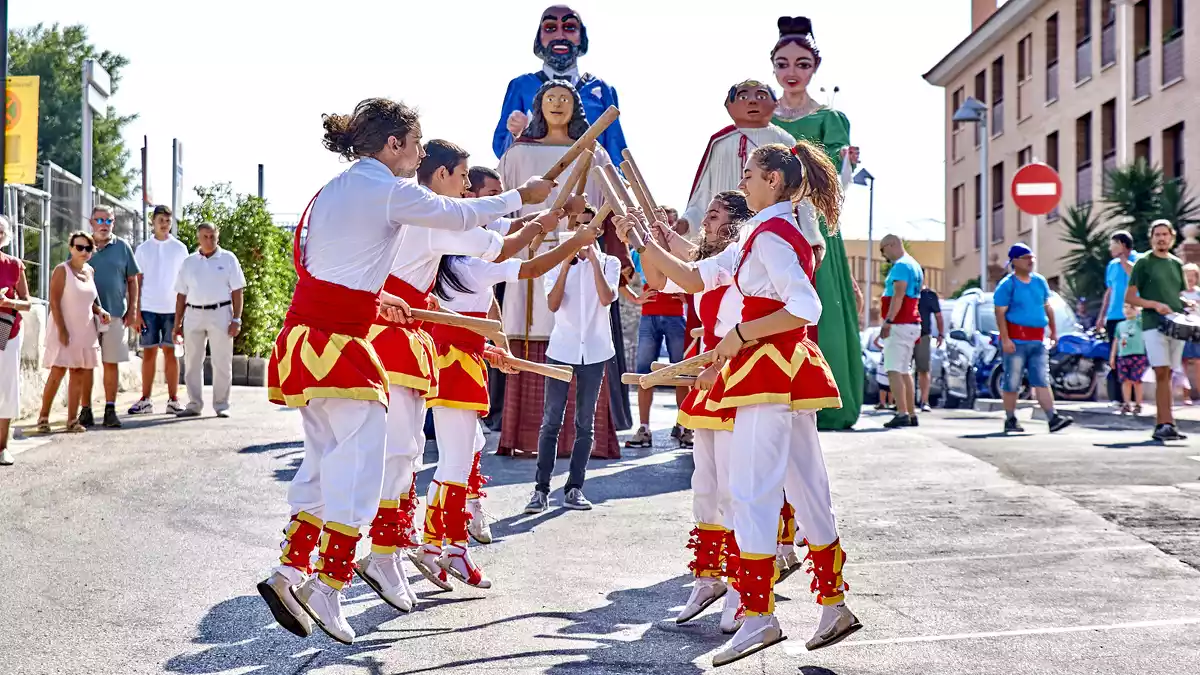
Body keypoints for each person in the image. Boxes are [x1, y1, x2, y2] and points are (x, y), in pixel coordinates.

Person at [257, 97, 554, 645]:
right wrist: (523, 197)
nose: (418, 156)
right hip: (338, 344)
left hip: (310, 336)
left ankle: (291, 570)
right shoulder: (387, 189)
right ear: (392, 145)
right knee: (368, 463)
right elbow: (461, 215)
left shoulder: (334, 189)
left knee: (326, 459)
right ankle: (327, 584)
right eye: (415, 145)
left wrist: (375, 304)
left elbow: (336, 271)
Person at [697, 142, 858, 663]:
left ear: (773, 181)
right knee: (808, 487)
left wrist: (740, 334)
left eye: (749, 173)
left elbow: (804, 306)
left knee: (751, 491)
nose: (743, 181)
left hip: (768, 369)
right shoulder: (784, 228)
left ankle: (758, 615)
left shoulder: (770, 233)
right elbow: (688, 274)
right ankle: (833, 604)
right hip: (786, 369)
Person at [395, 139, 571, 596]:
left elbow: (496, 246)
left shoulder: (433, 227)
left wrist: (540, 220)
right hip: (439, 361)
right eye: (463, 178)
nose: (468, 188)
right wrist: (552, 226)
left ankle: (441, 543)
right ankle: (430, 545)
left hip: (448, 358)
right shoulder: (438, 228)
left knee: (454, 449)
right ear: (440, 176)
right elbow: (505, 249)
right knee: (432, 456)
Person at [426, 209, 599, 583]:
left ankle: (432, 544)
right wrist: (574, 241)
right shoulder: (469, 268)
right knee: (454, 463)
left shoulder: (452, 268)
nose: (492, 242)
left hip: (456, 362)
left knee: (464, 449)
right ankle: (450, 547)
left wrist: (495, 348)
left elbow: (469, 325)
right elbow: (530, 267)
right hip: (455, 369)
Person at [620, 191, 752, 634]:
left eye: (714, 215)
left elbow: (687, 272)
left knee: (735, 486)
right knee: (706, 484)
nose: (706, 220)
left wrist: (648, 241)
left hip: (741, 374)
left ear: (735, 223)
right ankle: (709, 576)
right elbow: (659, 279)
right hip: (710, 373)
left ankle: (742, 588)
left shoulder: (738, 255)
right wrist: (641, 240)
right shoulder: (710, 256)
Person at [497, 79, 626, 460]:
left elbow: (607, 202)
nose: (556, 104)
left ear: (576, 107)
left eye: (564, 99)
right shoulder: (520, 153)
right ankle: (526, 436)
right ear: (538, 106)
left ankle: (585, 438)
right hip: (532, 253)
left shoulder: (593, 151)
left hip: (581, 253)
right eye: (549, 98)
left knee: (582, 326)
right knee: (535, 331)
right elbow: (507, 204)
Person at [770, 16, 864, 431]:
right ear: (773, 66)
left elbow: (837, 180)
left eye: (802, 64)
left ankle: (827, 400)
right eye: (784, 63)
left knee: (818, 309)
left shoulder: (831, 119)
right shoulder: (760, 114)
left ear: (814, 68)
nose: (792, 72)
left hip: (815, 223)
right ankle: (769, 395)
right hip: (766, 219)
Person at [523, 228, 620, 514]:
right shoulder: (556, 265)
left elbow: (606, 298)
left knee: (584, 423)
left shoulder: (609, 263)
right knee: (551, 420)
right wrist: (565, 265)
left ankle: (575, 488)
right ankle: (540, 490)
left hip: (595, 349)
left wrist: (592, 262)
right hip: (562, 350)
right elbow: (553, 304)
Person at [493, 5, 627, 163]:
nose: (560, 35)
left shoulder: (602, 90)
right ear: (539, 36)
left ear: (581, 35)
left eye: (569, 27)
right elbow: (501, 149)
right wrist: (516, 133)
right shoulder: (521, 86)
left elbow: (615, 146)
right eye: (550, 28)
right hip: (536, 180)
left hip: (588, 180)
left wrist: (619, 180)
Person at [678, 80, 795, 240]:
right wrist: (688, 223)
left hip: (772, 228)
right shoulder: (720, 143)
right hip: (725, 233)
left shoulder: (784, 140)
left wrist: (811, 235)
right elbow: (703, 194)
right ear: (728, 105)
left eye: (761, 96)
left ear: (775, 103)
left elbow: (798, 189)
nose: (752, 101)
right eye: (743, 96)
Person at [993, 243, 1074, 434]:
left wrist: (1053, 331)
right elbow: (1000, 313)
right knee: (1012, 380)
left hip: (1038, 339)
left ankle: (1052, 418)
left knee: (1041, 380)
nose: (1030, 261)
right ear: (1015, 261)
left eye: (1032, 258)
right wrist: (1005, 339)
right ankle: (1011, 418)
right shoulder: (1008, 285)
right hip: (1016, 339)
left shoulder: (1039, 282)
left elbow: (1047, 307)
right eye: (1026, 258)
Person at [37, 231, 112, 434]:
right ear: (71, 248)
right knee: (57, 372)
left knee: (78, 373)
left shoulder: (90, 271)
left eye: (88, 248)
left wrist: (101, 311)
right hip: (65, 328)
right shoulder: (62, 270)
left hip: (85, 329)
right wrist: (62, 330)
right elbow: (54, 301)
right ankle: (43, 417)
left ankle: (72, 420)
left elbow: (89, 301)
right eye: (79, 247)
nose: (84, 251)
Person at [1126, 219, 1192, 442]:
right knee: (1161, 372)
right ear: (1151, 238)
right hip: (1153, 324)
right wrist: (1154, 305)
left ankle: (1168, 424)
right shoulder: (1143, 263)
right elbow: (1130, 297)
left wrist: (1186, 303)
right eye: (1157, 235)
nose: (1161, 238)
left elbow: (1177, 294)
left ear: (1172, 238)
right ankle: (1162, 423)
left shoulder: (1175, 263)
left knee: (1170, 374)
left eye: (1165, 234)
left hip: (1176, 325)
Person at [172, 222, 246, 418]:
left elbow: (238, 291)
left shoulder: (228, 259)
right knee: (192, 361)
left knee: (222, 361)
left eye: (212, 236)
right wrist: (177, 324)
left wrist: (236, 319)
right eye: (205, 236)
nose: (209, 240)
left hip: (220, 312)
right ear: (198, 238)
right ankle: (194, 404)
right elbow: (181, 294)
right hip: (193, 313)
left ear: (217, 236)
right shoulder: (189, 262)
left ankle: (222, 404)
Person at [623, 245, 689, 449]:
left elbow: (697, 276)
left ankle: (685, 426)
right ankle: (644, 429)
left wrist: (689, 298)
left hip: (676, 316)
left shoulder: (678, 250)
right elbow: (619, 276)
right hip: (648, 315)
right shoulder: (638, 252)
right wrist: (635, 298)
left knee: (682, 373)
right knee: (644, 374)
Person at [82, 205, 141, 429]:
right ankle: (85, 410)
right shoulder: (82, 245)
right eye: (100, 220)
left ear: (113, 223)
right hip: (86, 315)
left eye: (108, 221)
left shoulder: (123, 247)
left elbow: (133, 280)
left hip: (116, 314)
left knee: (111, 363)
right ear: (92, 222)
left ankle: (110, 409)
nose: (104, 225)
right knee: (87, 364)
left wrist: (133, 309)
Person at [129, 205, 189, 416]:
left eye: (168, 220)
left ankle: (173, 399)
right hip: (148, 309)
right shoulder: (143, 249)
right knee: (149, 354)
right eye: (160, 220)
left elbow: (185, 281)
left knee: (172, 354)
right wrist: (135, 311)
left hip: (173, 310)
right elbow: (137, 280)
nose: (164, 224)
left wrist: (183, 312)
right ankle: (146, 399)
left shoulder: (180, 249)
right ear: (152, 222)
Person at [878, 234, 923, 429]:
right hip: (911, 323)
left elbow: (898, 296)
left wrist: (888, 321)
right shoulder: (913, 264)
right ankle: (911, 413)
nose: (884, 256)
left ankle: (902, 412)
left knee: (893, 370)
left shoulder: (901, 266)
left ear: (891, 244)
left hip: (900, 323)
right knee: (905, 371)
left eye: (883, 250)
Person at [0, 215, 33, 466]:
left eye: (0, 231)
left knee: (7, 388)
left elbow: (27, 303)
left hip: (6, 330)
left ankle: (2, 447)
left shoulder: (14, 265)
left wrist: (9, 302)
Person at [1099, 231, 1137, 403]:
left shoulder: (1139, 259)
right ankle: (1118, 398)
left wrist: (1123, 259)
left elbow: (1137, 276)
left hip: (1133, 316)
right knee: (1115, 357)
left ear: (1122, 244)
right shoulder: (1111, 266)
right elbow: (1109, 291)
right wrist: (1102, 316)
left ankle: (1135, 398)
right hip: (1114, 316)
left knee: (1132, 355)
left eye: (1113, 244)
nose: (1109, 248)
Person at [1110, 303, 1147, 415]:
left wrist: (1140, 312)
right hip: (1123, 356)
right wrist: (1112, 356)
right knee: (1125, 381)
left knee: (1136, 381)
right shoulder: (1120, 325)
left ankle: (1138, 404)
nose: (1128, 310)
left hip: (1138, 355)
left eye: (1132, 308)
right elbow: (1116, 341)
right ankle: (1126, 403)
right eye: (1125, 307)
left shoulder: (1139, 323)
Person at [915, 285, 944, 411]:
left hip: (923, 335)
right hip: (904, 334)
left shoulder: (929, 295)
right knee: (903, 369)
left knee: (923, 369)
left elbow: (938, 316)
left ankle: (924, 401)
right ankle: (903, 402)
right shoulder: (905, 291)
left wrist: (940, 334)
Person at [1181, 263, 1200, 403]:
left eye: (1192, 276)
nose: (1190, 278)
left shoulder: (1199, 293)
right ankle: (1185, 395)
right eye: (1187, 276)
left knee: (1199, 362)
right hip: (1183, 330)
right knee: (1184, 363)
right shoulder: (1179, 294)